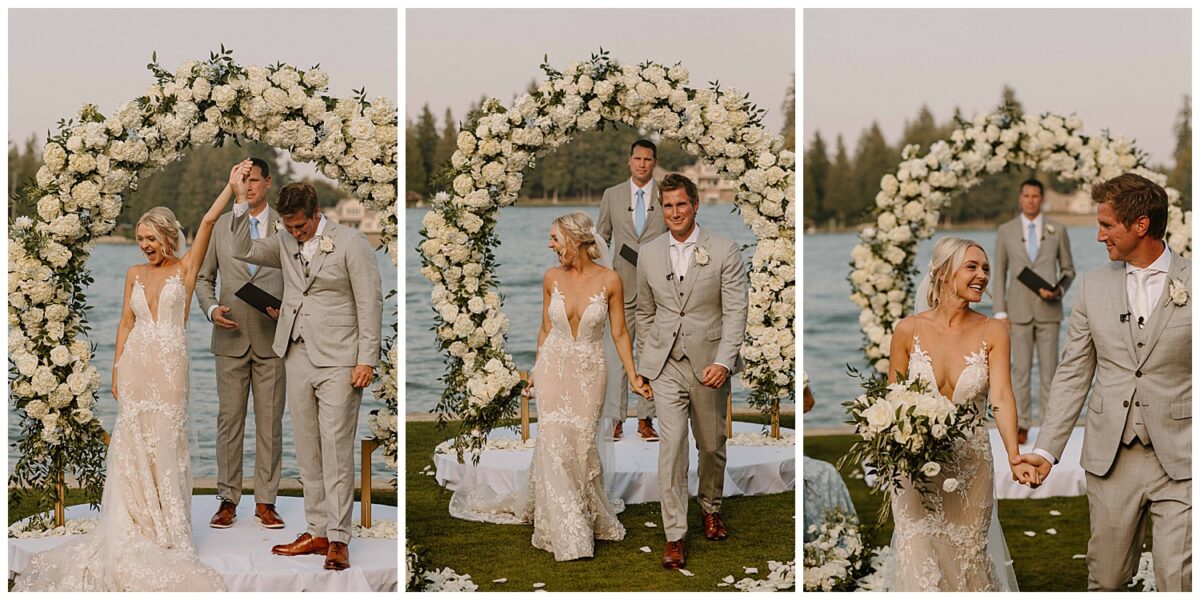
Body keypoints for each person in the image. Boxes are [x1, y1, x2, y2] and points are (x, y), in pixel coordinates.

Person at [14, 182, 236, 591]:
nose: (145, 246)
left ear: (169, 237)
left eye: (151, 238)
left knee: (166, 440)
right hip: (135, 366)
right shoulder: (133, 274)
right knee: (133, 440)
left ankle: (168, 526)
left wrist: (229, 187)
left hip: (170, 368)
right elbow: (125, 324)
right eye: (140, 239)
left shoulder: (185, 270)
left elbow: (208, 220)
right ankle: (135, 518)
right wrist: (116, 370)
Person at [1015, 173, 1191, 591]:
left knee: (1179, 580)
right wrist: (1045, 449)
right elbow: (1074, 372)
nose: (1099, 236)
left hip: (1185, 456)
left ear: (1140, 225)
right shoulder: (1093, 288)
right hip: (1112, 458)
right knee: (1107, 580)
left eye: (1107, 225)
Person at [449, 212, 651, 561]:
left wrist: (633, 376)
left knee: (582, 444)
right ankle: (567, 529)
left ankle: (586, 509)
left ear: (575, 240)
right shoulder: (551, 277)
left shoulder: (611, 280)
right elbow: (545, 329)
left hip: (590, 372)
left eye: (555, 238)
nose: (549, 245)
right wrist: (535, 371)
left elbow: (619, 333)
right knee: (554, 441)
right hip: (554, 368)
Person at [227, 161, 383, 571]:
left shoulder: (352, 244)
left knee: (335, 447)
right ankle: (316, 530)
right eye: (289, 227)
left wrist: (367, 358)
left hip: (340, 358)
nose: (295, 234)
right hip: (294, 354)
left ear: (317, 214)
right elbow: (242, 249)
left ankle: (339, 539)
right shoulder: (281, 240)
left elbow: (370, 302)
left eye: (301, 226)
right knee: (307, 448)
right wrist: (242, 200)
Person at [884, 237, 1032, 591]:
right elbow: (893, 400)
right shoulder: (907, 330)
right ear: (942, 272)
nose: (982, 275)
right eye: (972, 267)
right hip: (913, 467)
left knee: (969, 558)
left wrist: (1014, 454)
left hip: (970, 465)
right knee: (918, 555)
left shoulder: (993, 330)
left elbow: (1001, 396)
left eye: (985, 269)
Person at [636, 173, 747, 570]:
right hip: (666, 365)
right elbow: (644, 313)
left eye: (681, 204)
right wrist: (645, 366)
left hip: (708, 365)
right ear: (660, 209)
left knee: (712, 444)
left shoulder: (724, 250)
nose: (675, 212)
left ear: (695, 205)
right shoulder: (647, 254)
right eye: (668, 206)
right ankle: (674, 534)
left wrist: (723, 360)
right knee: (671, 450)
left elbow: (736, 312)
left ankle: (711, 507)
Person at [196, 157, 287, 530]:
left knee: (270, 425)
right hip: (229, 337)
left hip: (273, 341)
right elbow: (203, 279)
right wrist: (212, 308)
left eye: (253, 181)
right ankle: (228, 500)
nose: (247, 187)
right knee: (228, 423)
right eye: (241, 180)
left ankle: (266, 502)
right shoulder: (219, 228)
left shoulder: (286, 226)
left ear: (267, 183)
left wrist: (291, 310)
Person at [993, 178, 1075, 444]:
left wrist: (1059, 290)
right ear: (1020, 198)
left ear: (1042, 199)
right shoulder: (1005, 231)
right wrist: (1000, 313)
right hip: (1017, 311)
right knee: (1020, 371)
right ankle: (1022, 424)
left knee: (1050, 370)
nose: (1030, 200)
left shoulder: (1058, 229)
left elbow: (1068, 269)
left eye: (1035, 196)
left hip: (1049, 311)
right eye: (1026, 195)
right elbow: (999, 272)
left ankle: (1051, 427)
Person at [597, 139, 668, 441]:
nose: (642, 164)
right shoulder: (612, 196)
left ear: (654, 163)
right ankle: (616, 417)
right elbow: (601, 238)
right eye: (637, 159)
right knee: (616, 356)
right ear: (630, 161)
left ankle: (646, 419)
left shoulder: (667, 196)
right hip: (620, 289)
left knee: (651, 356)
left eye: (648, 159)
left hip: (657, 290)